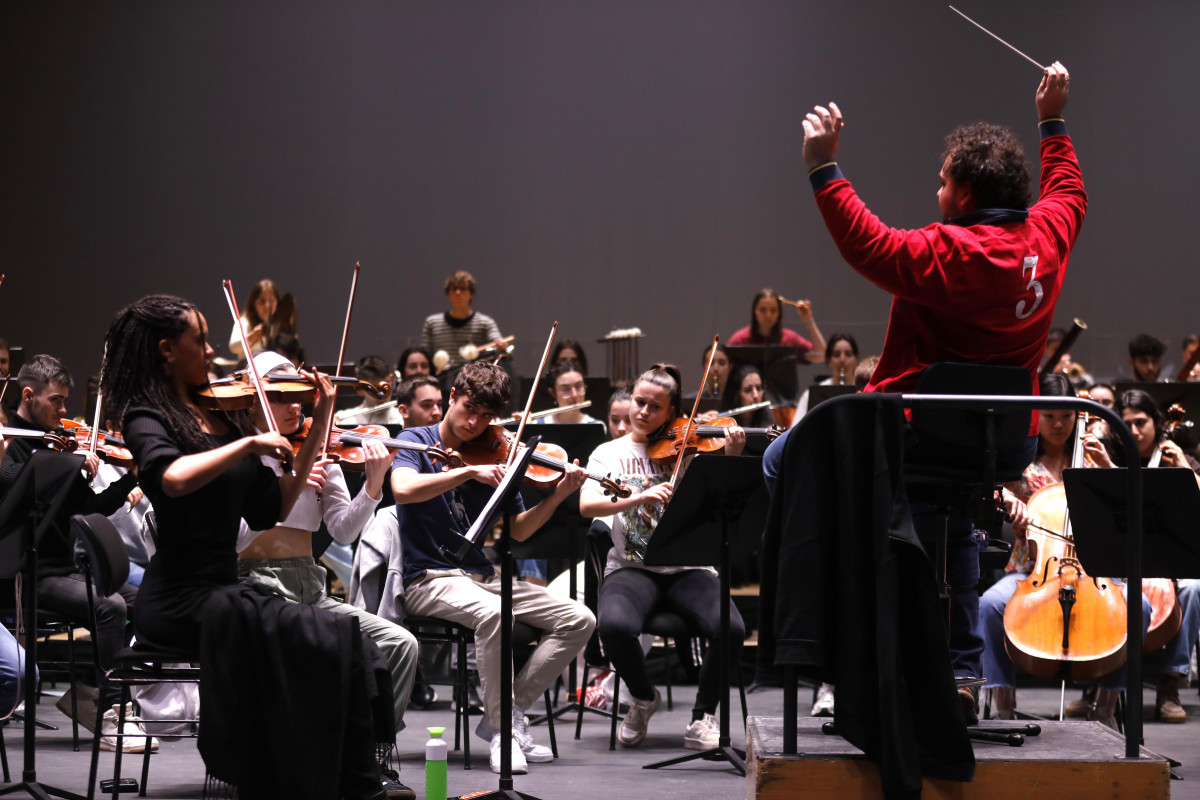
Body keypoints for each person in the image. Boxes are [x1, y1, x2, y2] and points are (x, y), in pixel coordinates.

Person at [769, 61, 1085, 711]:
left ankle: (847, 643)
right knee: (954, 518)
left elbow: (868, 244)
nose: (935, 191)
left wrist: (823, 166)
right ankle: (961, 674)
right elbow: (1070, 189)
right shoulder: (1049, 235)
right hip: (1002, 443)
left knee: (783, 461)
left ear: (965, 194)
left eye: (942, 183)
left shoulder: (953, 254)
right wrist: (1052, 119)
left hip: (911, 435)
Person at [389, 361, 595, 775]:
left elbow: (519, 531)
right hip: (429, 577)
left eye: (486, 416)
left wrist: (559, 497)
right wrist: (466, 471)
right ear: (452, 397)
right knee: (497, 614)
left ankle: (509, 714)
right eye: (469, 409)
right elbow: (402, 490)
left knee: (579, 619)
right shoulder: (416, 439)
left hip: (483, 576)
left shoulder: (497, 448)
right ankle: (503, 733)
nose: (475, 423)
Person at [237, 350, 420, 796]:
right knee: (323, 653)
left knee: (399, 644)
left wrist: (373, 487)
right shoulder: (238, 456)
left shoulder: (318, 447)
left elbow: (342, 528)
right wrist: (287, 487)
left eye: (303, 398)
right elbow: (232, 540)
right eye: (284, 397)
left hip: (309, 584)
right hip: (253, 586)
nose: (297, 407)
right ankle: (308, 762)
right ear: (255, 399)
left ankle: (369, 759)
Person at [579, 364, 747, 751]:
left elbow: (724, 499)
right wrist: (638, 496)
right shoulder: (609, 452)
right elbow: (588, 505)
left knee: (733, 628)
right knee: (615, 627)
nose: (642, 413)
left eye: (654, 407)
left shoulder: (690, 449)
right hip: (632, 567)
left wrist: (733, 453)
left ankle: (703, 717)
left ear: (671, 413)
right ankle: (642, 697)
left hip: (689, 567)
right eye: (639, 402)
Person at [977, 374, 1143, 726]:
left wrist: (1109, 470)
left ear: (1077, 417)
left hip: (1093, 573)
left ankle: (1106, 706)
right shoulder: (1021, 463)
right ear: (1037, 417)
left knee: (1139, 606)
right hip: (1032, 571)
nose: (1058, 425)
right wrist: (1006, 499)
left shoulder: (1091, 460)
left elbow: (1126, 510)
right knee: (989, 605)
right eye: (1049, 416)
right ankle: (1004, 707)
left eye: (1066, 417)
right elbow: (989, 488)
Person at [0, 354, 142, 743]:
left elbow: (90, 508)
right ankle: (110, 713)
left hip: (64, 571)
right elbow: (11, 484)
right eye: (56, 401)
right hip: (26, 575)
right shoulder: (9, 447)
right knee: (109, 606)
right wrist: (63, 464)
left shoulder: (58, 449)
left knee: (141, 598)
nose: (65, 411)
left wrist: (132, 476)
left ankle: (88, 693)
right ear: (28, 396)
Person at [1109, 389, 1200, 723]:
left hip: (1171, 558)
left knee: (1193, 589)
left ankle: (1170, 683)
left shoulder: (1180, 458)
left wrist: (1186, 473)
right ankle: (1103, 687)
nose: (1133, 431)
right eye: (1126, 423)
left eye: (1141, 422)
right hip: (1122, 557)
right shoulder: (1110, 457)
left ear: (1157, 422)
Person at [420, 271, 506, 369]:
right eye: (454, 289)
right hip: (440, 379)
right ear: (448, 293)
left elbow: (496, 340)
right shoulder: (432, 323)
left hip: (474, 378)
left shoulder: (485, 323)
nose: (458, 293)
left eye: (463, 289)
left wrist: (500, 344)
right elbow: (424, 356)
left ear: (471, 294)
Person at [727, 289, 827, 363]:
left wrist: (808, 319)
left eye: (773, 310)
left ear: (779, 313)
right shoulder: (740, 339)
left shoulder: (789, 339)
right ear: (755, 312)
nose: (768, 315)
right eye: (763, 310)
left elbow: (821, 355)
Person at [795, 333, 859, 418]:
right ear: (828, 360)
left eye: (848, 354)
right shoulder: (811, 394)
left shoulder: (864, 390)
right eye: (836, 355)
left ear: (856, 359)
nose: (842, 359)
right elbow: (796, 427)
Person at [340, 355, 403, 426]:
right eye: (372, 388)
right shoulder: (344, 420)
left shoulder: (403, 419)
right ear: (359, 389)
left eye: (385, 386)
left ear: (391, 380)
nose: (381, 395)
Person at [227, 279, 281, 360]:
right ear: (253, 303)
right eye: (262, 301)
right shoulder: (244, 322)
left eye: (271, 301)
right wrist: (250, 338)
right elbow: (233, 347)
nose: (267, 306)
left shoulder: (280, 326)